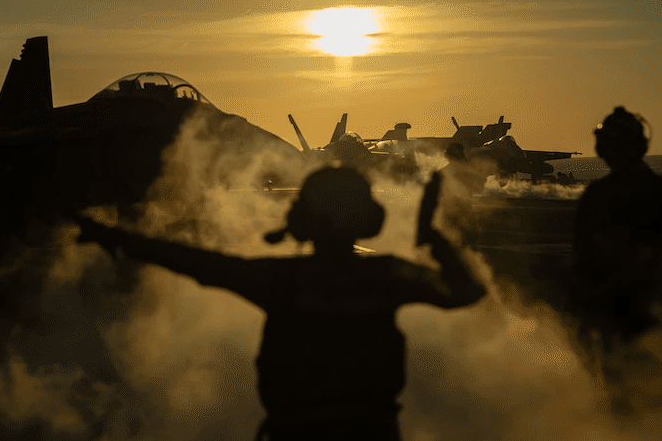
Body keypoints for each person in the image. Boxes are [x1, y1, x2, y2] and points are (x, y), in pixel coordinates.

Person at [69, 166, 487, 441]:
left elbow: (199, 264)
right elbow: (466, 293)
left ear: (302, 221)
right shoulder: (388, 277)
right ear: (368, 219)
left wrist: (120, 239)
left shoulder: (280, 281)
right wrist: (433, 236)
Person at [570, 106, 662, 352]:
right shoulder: (657, 190)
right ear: (642, 145)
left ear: (602, 148)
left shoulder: (597, 197)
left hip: (611, 316)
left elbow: (583, 265)